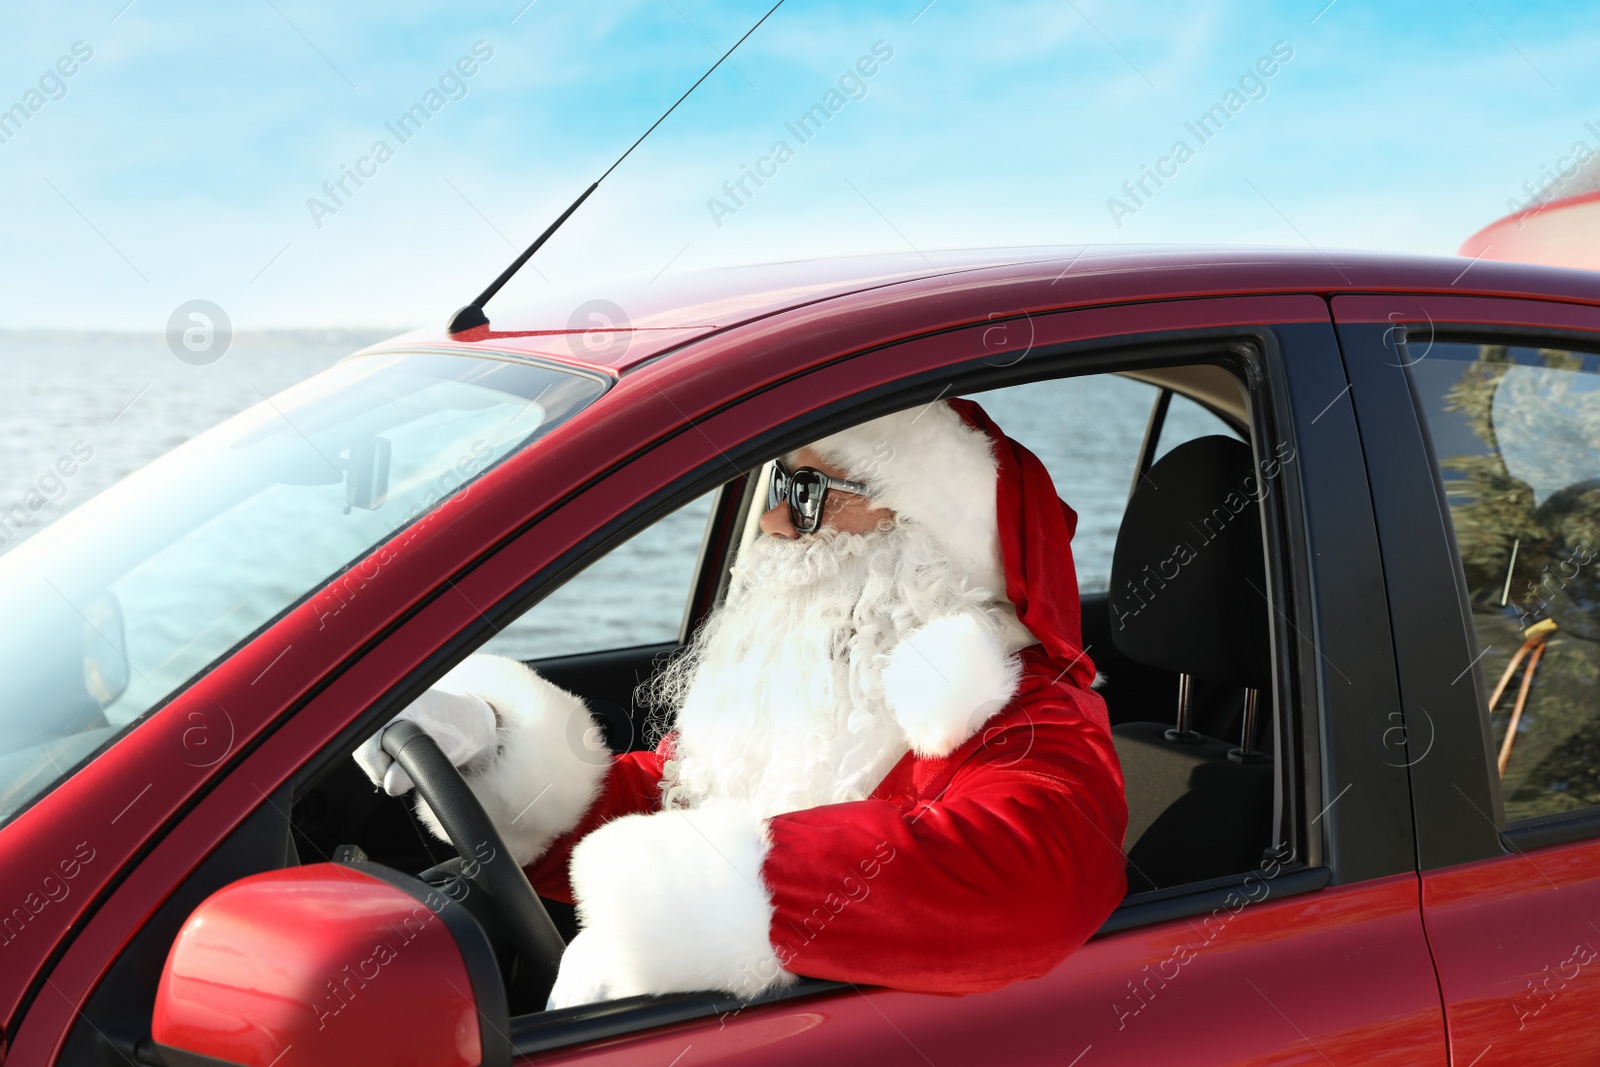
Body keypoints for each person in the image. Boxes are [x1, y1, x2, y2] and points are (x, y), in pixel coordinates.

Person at [354, 398, 1128, 1008]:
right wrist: (491, 748)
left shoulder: (1022, 707)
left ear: (921, 525)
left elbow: (1036, 875)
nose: (771, 521)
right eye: (776, 485)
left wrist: (698, 897)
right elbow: (669, 800)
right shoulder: (815, 673)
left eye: (807, 491)